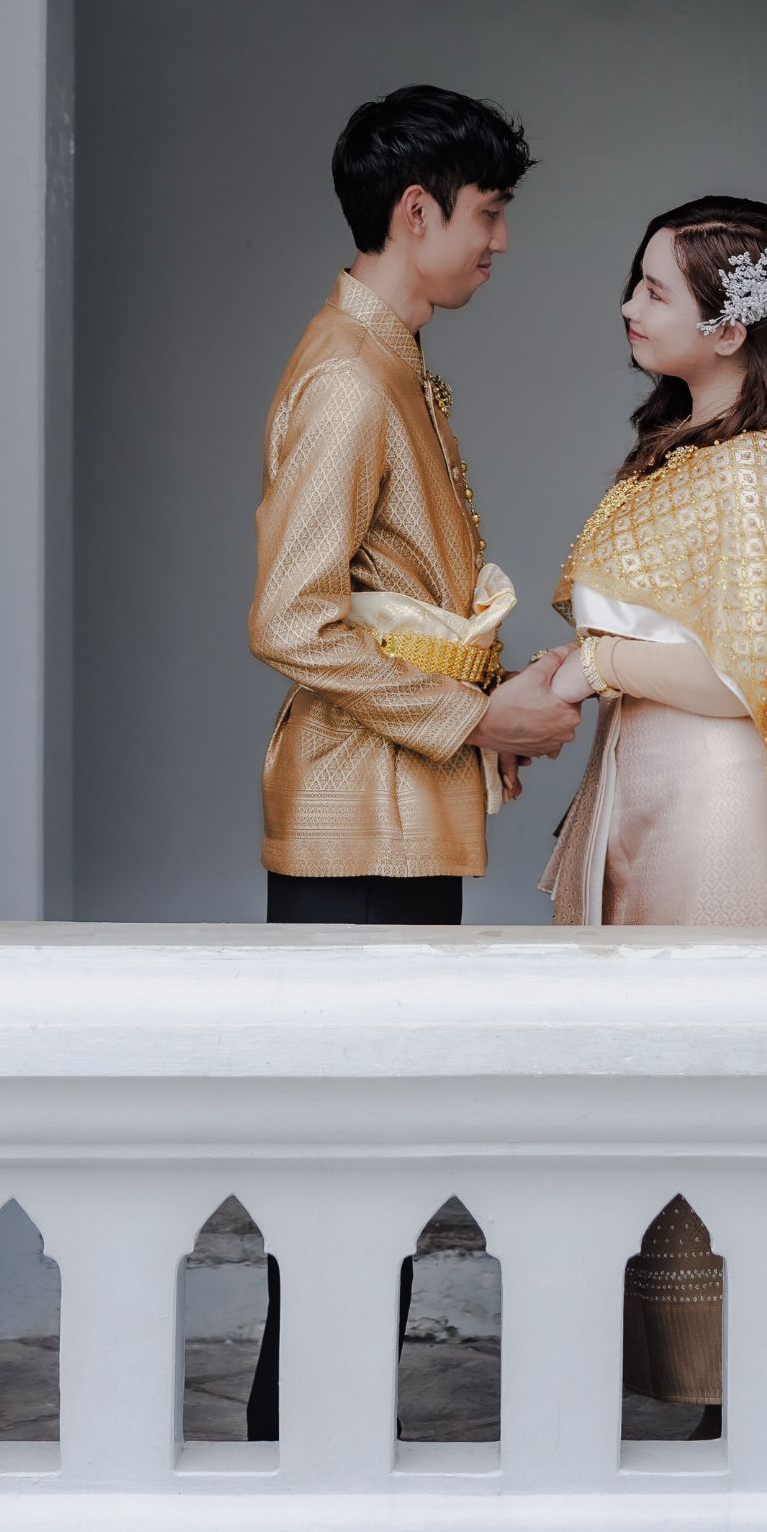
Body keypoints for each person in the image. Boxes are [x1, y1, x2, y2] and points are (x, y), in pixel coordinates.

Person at [243, 83, 576, 1439]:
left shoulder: (393, 361)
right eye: (487, 213)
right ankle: (299, 1452)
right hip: (354, 818)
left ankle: (322, 1451)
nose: (500, 241)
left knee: (377, 1161)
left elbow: (401, 603)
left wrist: (491, 690)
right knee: (345, 1162)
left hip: (394, 807)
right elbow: (291, 620)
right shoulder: (347, 374)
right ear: (416, 210)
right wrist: (477, 720)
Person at [541, 195, 767, 1430]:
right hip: (646, 786)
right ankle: (694, 1386)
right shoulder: (683, 450)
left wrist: (593, 668)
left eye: (654, 289)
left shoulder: (760, 469)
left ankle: (742, 1387)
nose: (628, 307)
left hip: (713, 805)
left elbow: (751, 677)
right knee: (648, 1086)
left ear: (733, 325)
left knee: (709, 1079)